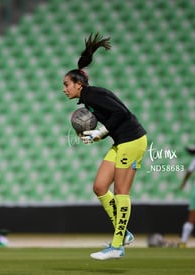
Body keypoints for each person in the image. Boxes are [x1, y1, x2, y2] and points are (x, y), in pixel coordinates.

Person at [62, 33, 147, 260]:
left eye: (66, 84)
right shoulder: (89, 98)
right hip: (121, 141)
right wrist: (98, 136)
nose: (64, 89)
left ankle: (117, 246)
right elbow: (113, 119)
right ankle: (125, 234)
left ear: (79, 85)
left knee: (121, 192)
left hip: (133, 140)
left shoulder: (94, 95)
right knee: (100, 187)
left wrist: (101, 131)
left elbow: (123, 113)